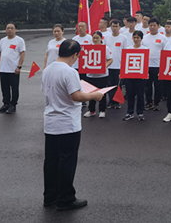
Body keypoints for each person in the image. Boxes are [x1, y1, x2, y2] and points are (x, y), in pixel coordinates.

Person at [42, 39, 104, 210]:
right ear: (75, 55)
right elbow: (76, 96)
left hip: (50, 122)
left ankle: (50, 197)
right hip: (67, 123)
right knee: (66, 161)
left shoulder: (47, 70)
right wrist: (95, 95)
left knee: (51, 161)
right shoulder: (69, 72)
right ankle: (65, 198)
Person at [0, 23, 26, 114]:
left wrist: (19, 66)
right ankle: (6, 104)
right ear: (5, 29)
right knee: (4, 88)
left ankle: (13, 105)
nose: (10, 30)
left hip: (13, 69)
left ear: (15, 30)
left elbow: (22, 54)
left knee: (14, 88)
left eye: (12, 28)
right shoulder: (2, 40)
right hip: (3, 68)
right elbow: (0, 54)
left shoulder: (19, 40)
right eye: (8, 28)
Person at [83, 31, 113, 118]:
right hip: (90, 75)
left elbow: (110, 59)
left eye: (97, 38)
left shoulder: (105, 48)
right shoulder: (88, 48)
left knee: (101, 93)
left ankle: (102, 110)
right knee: (91, 93)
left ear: (101, 38)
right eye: (94, 38)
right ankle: (91, 110)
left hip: (102, 75)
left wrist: (105, 66)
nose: (95, 40)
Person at [142, 17, 167, 111]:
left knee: (158, 86)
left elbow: (165, 52)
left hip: (158, 66)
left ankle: (157, 103)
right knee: (147, 86)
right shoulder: (144, 38)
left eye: (154, 25)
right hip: (147, 66)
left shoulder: (163, 38)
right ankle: (149, 102)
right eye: (151, 25)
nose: (152, 27)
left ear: (158, 26)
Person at [123, 31, 148, 121]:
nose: (136, 39)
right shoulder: (128, 48)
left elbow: (146, 63)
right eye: (135, 37)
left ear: (141, 39)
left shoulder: (145, 49)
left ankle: (140, 112)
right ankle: (129, 112)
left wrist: (146, 73)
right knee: (130, 94)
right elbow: (125, 62)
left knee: (140, 95)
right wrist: (122, 73)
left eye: (138, 38)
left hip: (140, 76)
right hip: (130, 75)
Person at [105, 19, 129, 109]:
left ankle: (117, 102)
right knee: (110, 85)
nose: (114, 28)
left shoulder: (123, 38)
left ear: (119, 27)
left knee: (118, 85)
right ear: (110, 27)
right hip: (108, 65)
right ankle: (111, 101)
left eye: (116, 26)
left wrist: (124, 65)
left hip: (118, 65)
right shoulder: (106, 37)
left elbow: (125, 52)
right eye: (113, 26)